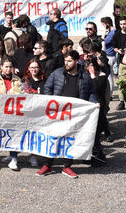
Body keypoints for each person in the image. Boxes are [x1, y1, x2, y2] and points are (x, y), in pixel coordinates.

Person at [39, 50, 96, 178]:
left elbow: (91, 92)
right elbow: (47, 88)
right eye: (65, 60)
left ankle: (67, 166)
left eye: (69, 61)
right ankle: (47, 165)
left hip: (74, 116)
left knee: (70, 140)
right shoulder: (57, 73)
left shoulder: (85, 77)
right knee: (53, 138)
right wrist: (50, 103)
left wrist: (94, 103)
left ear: (76, 61)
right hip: (57, 114)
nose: (66, 63)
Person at [0, 58, 22, 172]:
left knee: (13, 134)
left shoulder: (17, 79)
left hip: (13, 111)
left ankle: (14, 158)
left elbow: (21, 93)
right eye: (6, 67)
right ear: (1, 67)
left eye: (10, 67)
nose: (8, 69)